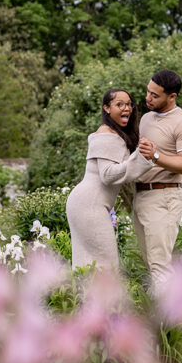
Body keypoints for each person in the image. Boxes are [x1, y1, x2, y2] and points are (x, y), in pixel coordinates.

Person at [66, 89, 154, 270]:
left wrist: (140, 158)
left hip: (86, 203)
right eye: (119, 104)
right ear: (106, 108)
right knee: (107, 265)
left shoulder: (115, 133)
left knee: (89, 264)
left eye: (129, 104)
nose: (126, 108)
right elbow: (108, 175)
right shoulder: (107, 134)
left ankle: (84, 298)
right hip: (89, 205)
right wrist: (141, 157)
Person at [134, 69, 182, 285]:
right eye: (148, 92)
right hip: (141, 196)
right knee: (151, 264)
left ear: (172, 97)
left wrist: (156, 156)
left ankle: (171, 318)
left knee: (161, 267)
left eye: (155, 95)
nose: (148, 98)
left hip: (164, 196)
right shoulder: (146, 118)